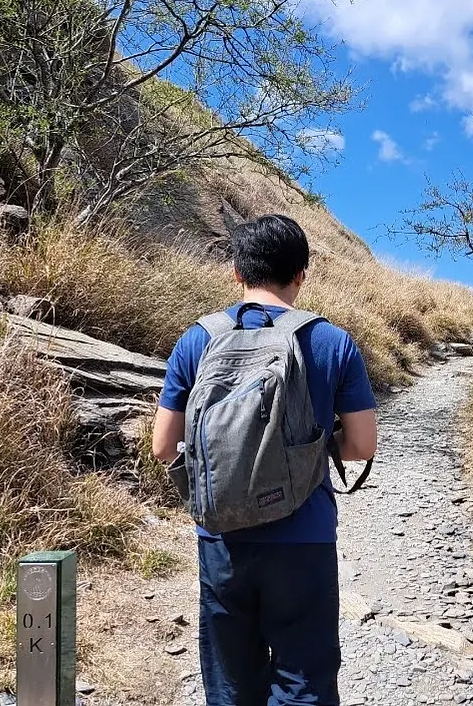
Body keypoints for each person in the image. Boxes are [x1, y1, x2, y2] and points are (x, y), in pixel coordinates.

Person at [151, 213, 379, 706]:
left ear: (237, 272)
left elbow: (164, 447)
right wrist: (304, 455)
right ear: (302, 273)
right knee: (304, 682)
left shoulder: (199, 339)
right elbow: (362, 445)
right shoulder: (331, 341)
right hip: (304, 535)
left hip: (221, 538)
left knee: (233, 686)